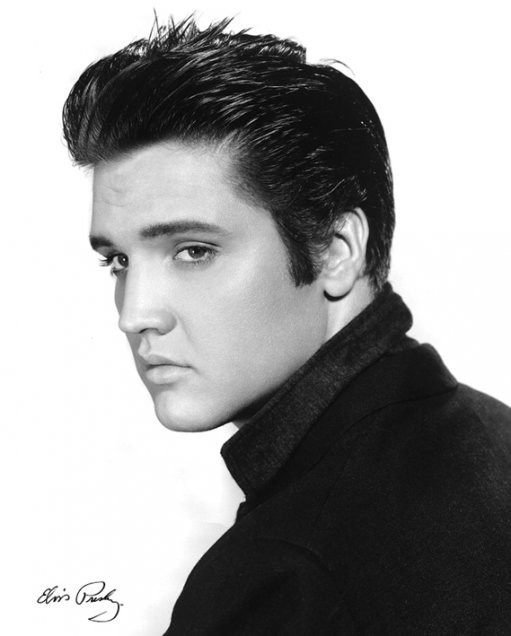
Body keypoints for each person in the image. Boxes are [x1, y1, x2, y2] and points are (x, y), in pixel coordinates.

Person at [62, 16, 511, 635]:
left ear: (336, 250)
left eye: (193, 251)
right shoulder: (493, 436)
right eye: (117, 260)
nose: (134, 313)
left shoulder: (278, 578)